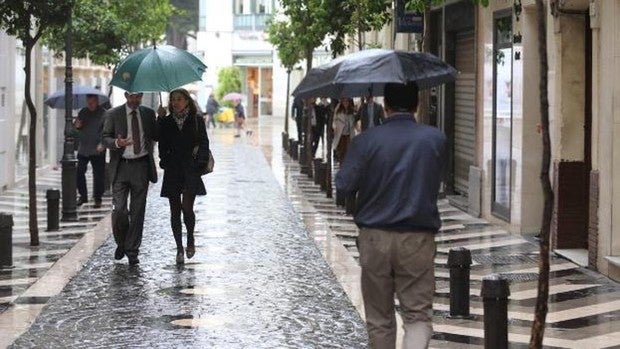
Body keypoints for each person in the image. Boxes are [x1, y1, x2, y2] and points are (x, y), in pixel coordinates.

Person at [335, 82, 446, 349]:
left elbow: (343, 185)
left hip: (374, 238)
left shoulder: (366, 141)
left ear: (385, 107)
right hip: (418, 238)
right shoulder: (435, 139)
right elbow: (438, 178)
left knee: (380, 318)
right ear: (417, 105)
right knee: (418, 316)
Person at [102, 92, 158, 265]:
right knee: (119, 210)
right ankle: (122, 242)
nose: (135, 100)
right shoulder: (113, 114)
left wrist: (161, 119)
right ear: (126, 95)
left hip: (141, 166)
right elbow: (105, 139)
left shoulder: (149, 114)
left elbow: (156, 135)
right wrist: (118, 143)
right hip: (120, 167)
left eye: (138, 97)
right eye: (132, 97)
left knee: (137, 212)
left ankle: (132, 251)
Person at [157, 88, 209, 264]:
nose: (175, 102)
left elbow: (204, 142)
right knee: (174, 210)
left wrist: (199, 163)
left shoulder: (196, 120)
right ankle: (179, 248)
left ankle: (191, 239)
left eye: (179, 99)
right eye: (173, 100)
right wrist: (160, 118)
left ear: (187, 101)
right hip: (172, 170)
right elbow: (159, 140)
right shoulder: (166, 121)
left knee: (187, 208)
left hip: (190, 169)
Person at [74, 94, 106, 208]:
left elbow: (108, 131)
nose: (90, 104)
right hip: (84, 148)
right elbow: (77, 126)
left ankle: (98, 198)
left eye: (92, 102)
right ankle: (83, 196)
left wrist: (103, 143)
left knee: (98, 175)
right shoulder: (83, 112)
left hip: (98, 149)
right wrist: (77, 126)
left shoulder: (104, 113)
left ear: (97, 101)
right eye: (88, 102)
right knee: (79, 171)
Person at [332, 97, 356, 164]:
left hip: (349, 135)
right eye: (344, 101)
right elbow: (334, 121)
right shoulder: (338, 110)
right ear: (342, 102)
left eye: (347, 101)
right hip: (341, 135)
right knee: (341, 152)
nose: (345, 103)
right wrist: (335, 127)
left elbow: (353, 123)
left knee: (348, 152)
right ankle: (341, 165)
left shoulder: (351, 111)